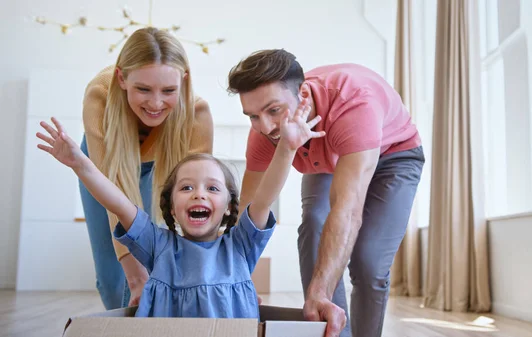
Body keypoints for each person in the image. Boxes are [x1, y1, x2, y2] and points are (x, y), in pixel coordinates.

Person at [35, 101, 324, 317]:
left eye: (212, 188)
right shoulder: (158, 245)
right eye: (186, 188)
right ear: (171, 208)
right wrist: (80, 163)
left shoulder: (240, 245)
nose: (199, 194)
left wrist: (286, 148)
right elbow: (119, 203)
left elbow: (263, 198)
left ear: (228, 208)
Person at [227, 49, 425, 337]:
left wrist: (320, 290)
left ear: (303, 95)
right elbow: (248, 211)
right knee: (313, 230)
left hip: (393, 156)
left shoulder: (354, 103)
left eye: (274, 110)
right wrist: (233, 278)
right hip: (328, 156)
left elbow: (347, 210)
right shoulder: (263, 132)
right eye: (253, 116)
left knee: (368, 263)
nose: (266, 127)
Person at [79, 27, 213, 309]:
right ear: (122, 78)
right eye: (143, 89)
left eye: (168, 91)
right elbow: (112, 191)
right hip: (101, 165)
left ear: (184, 81)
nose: (155, 103)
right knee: (114, 278)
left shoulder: (197, 114)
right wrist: (134, 275)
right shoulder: (99, 96)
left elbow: (197, 203)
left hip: (156, 164)